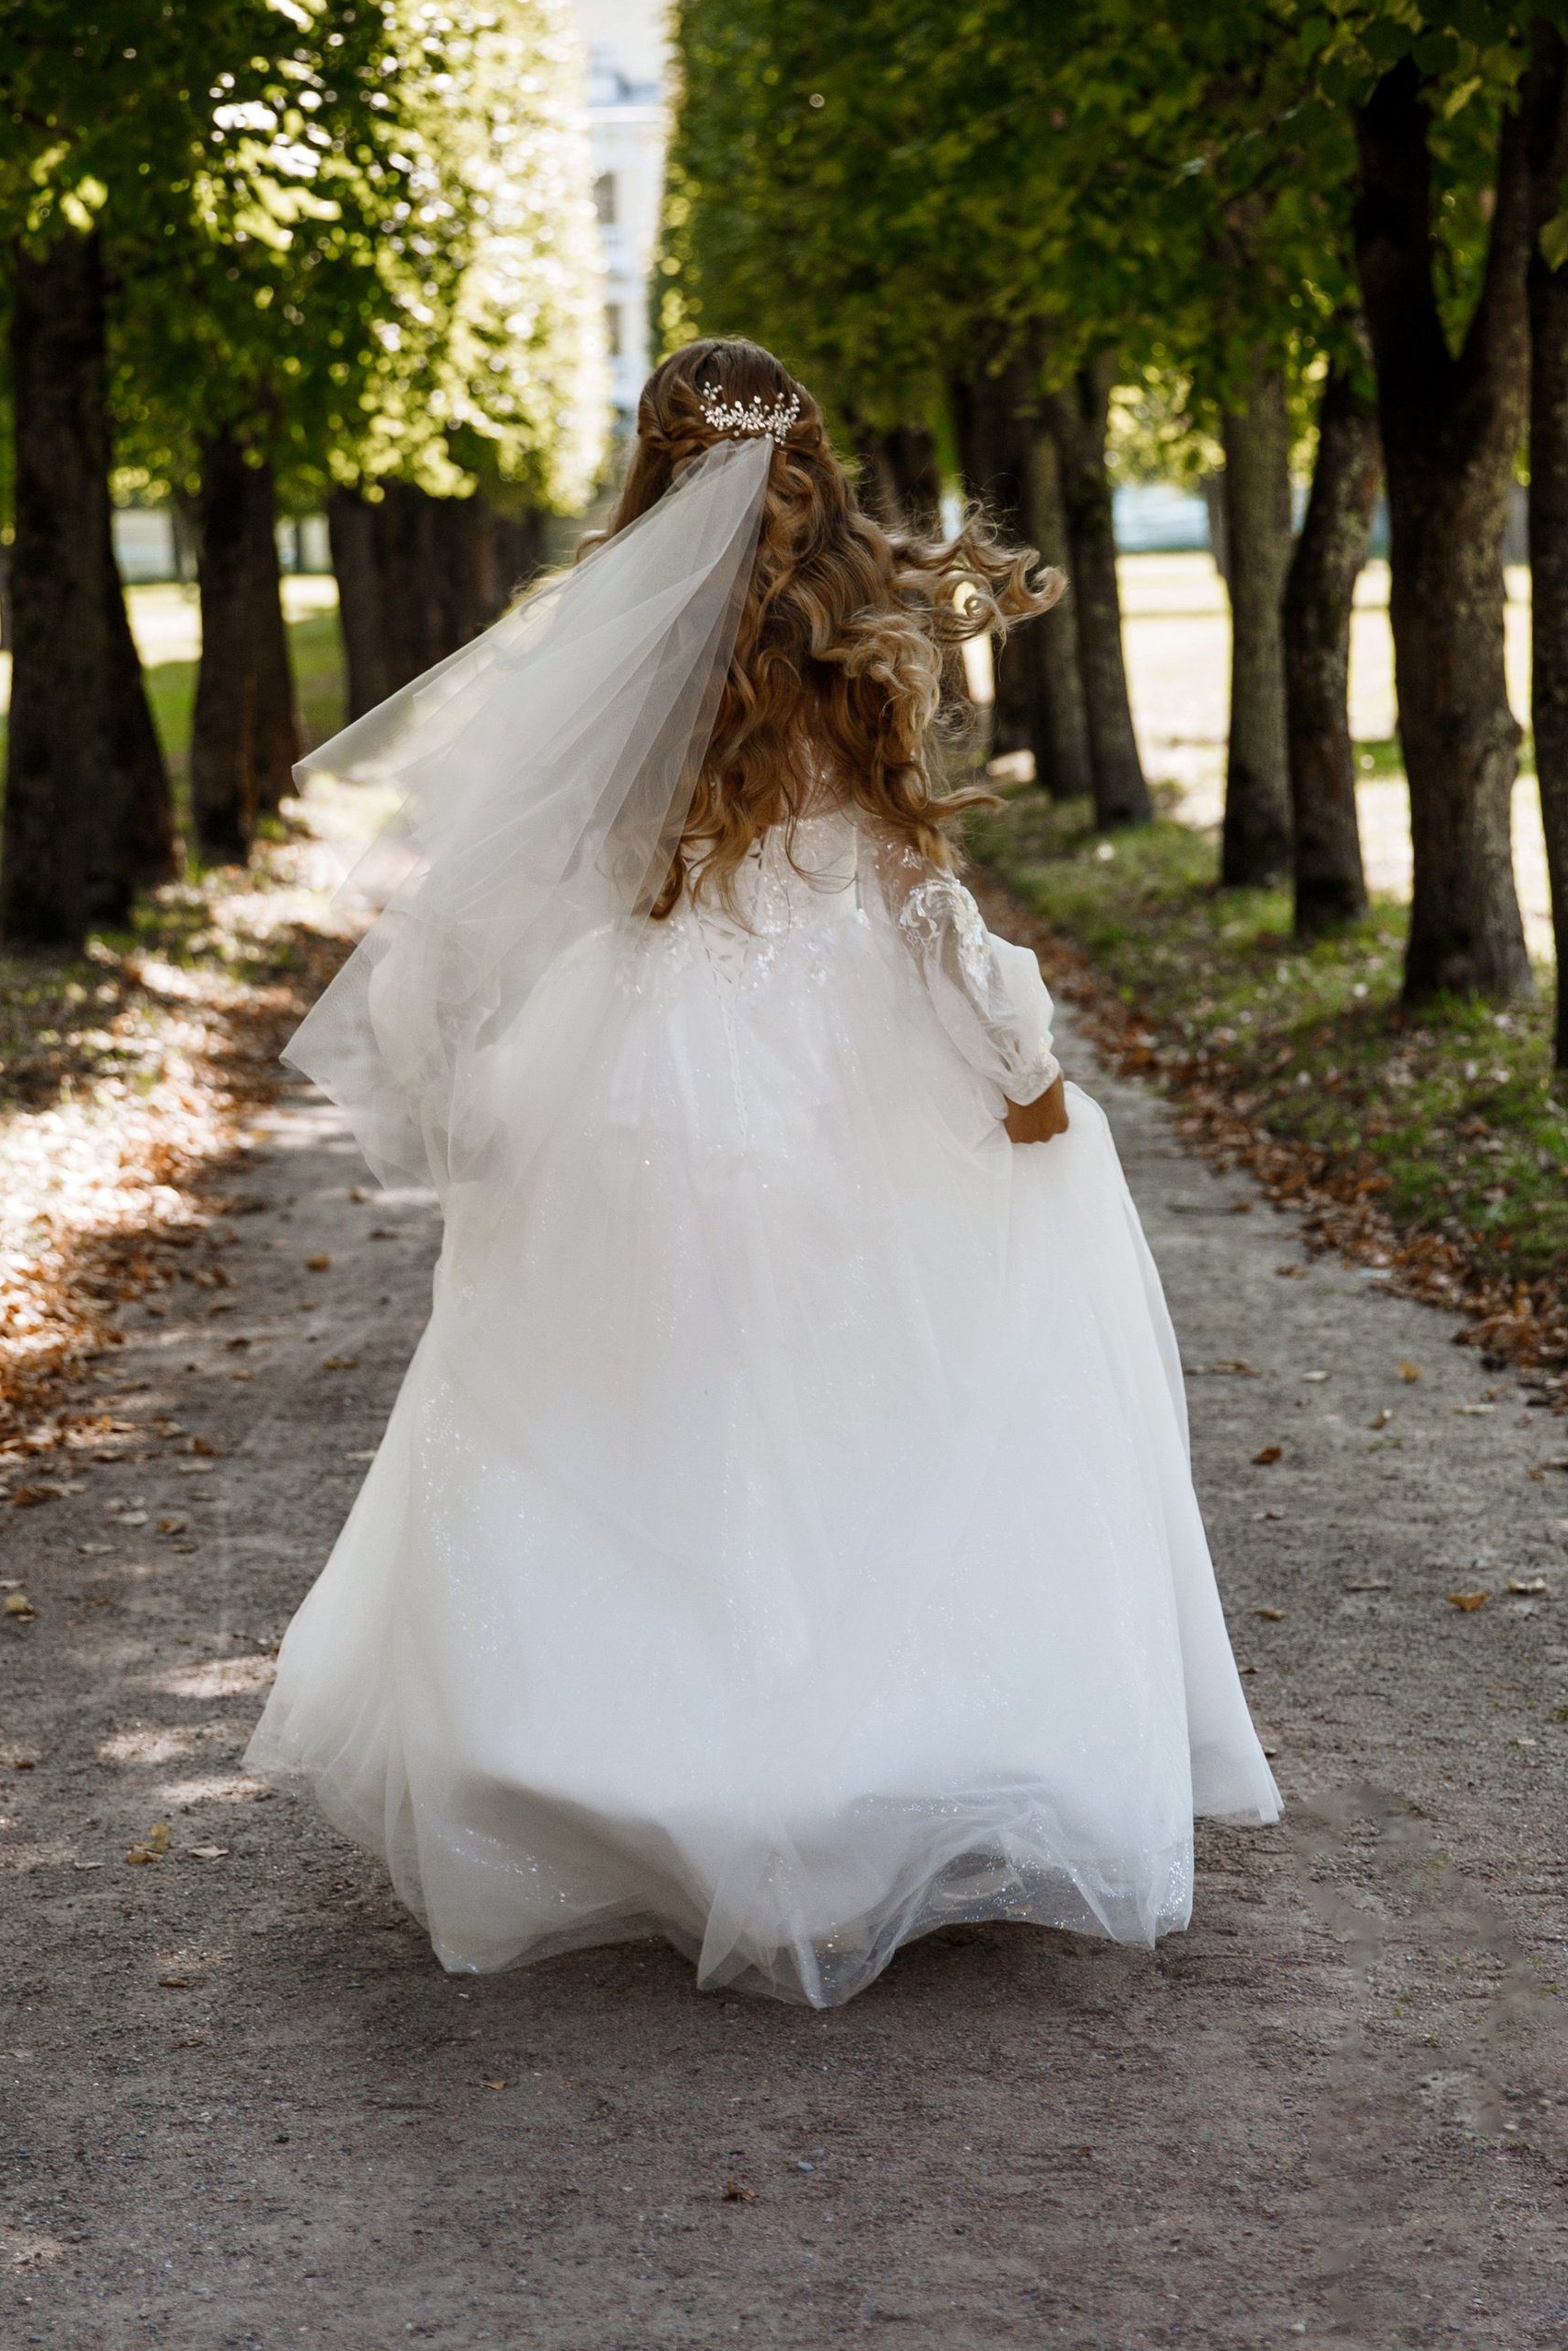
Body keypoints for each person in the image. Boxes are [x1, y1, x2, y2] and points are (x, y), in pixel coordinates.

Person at [248, 337, 1279, 2004]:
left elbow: (509, 887)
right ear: (812, 443)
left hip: (647, 1063)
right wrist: (1011, 1055)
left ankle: (636, 1759)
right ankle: (873, 1753)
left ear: (654, 461)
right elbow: (914, 881)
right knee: (870, 1394)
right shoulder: (871, 623)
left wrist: (477, 1078)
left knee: (651, 1400)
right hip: (849, 1046)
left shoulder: (595, 634)